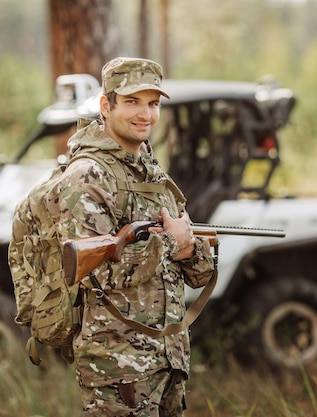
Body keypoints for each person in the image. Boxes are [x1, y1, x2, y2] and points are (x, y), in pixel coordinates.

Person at [53, 57, 216, 416]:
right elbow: (95, 274)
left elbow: (197, 273)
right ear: (106, 105)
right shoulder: (87, 176)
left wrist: (190, 247)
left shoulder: (151, 171)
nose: (146, 114)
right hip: (119, 370)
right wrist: (172, 243)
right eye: (132, 102)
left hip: (167, 360)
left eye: (153, 103)